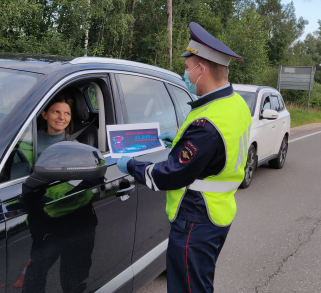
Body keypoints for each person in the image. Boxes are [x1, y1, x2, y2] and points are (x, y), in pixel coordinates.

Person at [117, 22, 251, 293]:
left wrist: (129, 164)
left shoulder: (207, 123)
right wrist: (178, 143)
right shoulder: (234, 104)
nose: (186, 74)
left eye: (188, 68)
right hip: (218, 211)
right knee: (198, 284)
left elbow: (169, 175)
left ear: (202, 69)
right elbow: (214, 150)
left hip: (196, 218)